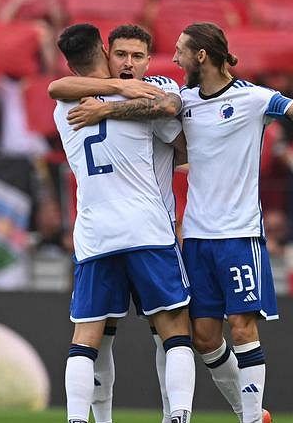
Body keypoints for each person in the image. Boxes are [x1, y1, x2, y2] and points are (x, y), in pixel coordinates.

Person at [66, 21, 293, 423]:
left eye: (181, 50)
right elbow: (166, 123)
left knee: (241, 327)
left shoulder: (253, 98)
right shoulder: (184, 99)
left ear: (200, 56)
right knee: (202, 338)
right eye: (123, 55)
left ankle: (247, 417)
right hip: (195, 236)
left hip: (239, 233)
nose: (175, 58)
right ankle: (245, 410)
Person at [52, 24, 195, 423]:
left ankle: (79, 418)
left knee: (88, 338)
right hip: (146, 226)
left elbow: (57, 86)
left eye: (136, 56)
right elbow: (181, 139)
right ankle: (179, 414)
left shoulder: (64, 105)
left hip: (94, 233)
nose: (128, 63)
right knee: (173, 330)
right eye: (121, 55)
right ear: (105, 50)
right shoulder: (146, 90)